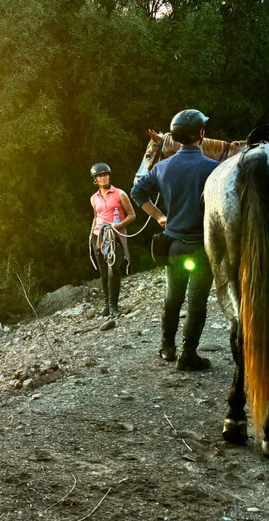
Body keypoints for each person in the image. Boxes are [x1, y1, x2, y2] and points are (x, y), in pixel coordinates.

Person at [131, 109, 219, 371]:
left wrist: (159, 217)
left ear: (177, 137)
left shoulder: (162, 167)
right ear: (201, 133)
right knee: (196, 303)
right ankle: (188, 355)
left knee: (173, 299)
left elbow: (137, 192)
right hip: (203, 248)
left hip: (173, 246)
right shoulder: (214, 169)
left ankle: (167, 347)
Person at [89, 162, 136, 317]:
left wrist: (117, 227)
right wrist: (91, 237)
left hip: (115, 235)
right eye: (99, 176)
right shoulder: (93, 198)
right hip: (99, 236)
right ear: (95, 180)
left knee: (113, 270)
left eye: (105, 174)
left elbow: (132, 215)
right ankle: (107, 306)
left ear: (109, 176)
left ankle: (114, 306)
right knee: (103, 272)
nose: (103, 178)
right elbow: (96, 217)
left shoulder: (120, 194)